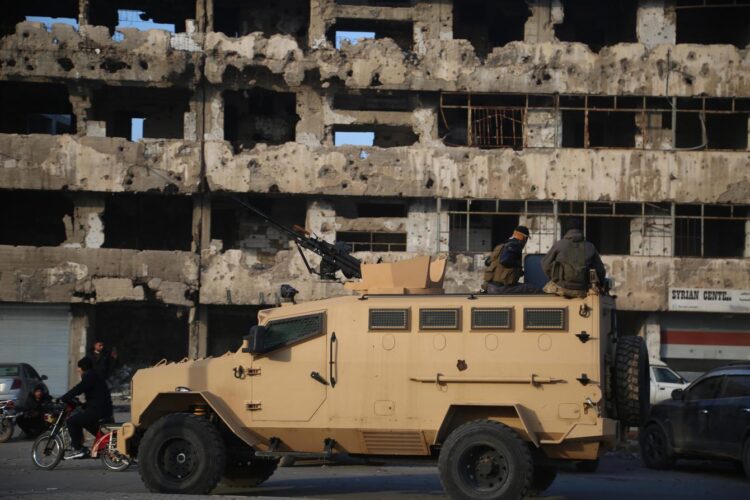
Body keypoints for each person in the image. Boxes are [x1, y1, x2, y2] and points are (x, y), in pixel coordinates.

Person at [60, 357, 113, 459]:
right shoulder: (95, 375)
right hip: (103, 409)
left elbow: (78, 389)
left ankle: (77, 448)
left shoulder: (89, 376)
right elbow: (96, 395)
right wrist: (83, 404)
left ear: (83, 368)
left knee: (72, 421)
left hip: (98, 410)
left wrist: (64, 397)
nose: (77, 370)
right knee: (85, 421)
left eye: (79, 367)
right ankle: (103, 441)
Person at [541, 218, 606, 298]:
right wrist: (601, 284)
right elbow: (600, 271)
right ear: (581, 230)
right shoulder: (590, 246)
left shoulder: (559, 245)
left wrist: (556, 279)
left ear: (567, 229)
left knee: (544, 291)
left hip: (562, 288)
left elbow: (545, 265)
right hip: (582, 290)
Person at [482, 226, 541, 294]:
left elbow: (487, 262)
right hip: (501, 288)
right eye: (526, 239)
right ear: (523, 238)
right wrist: (518, 266)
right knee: (535, 290)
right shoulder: (516, 245)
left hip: (489, 286)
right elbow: (505, 261)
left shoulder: (501, 247)